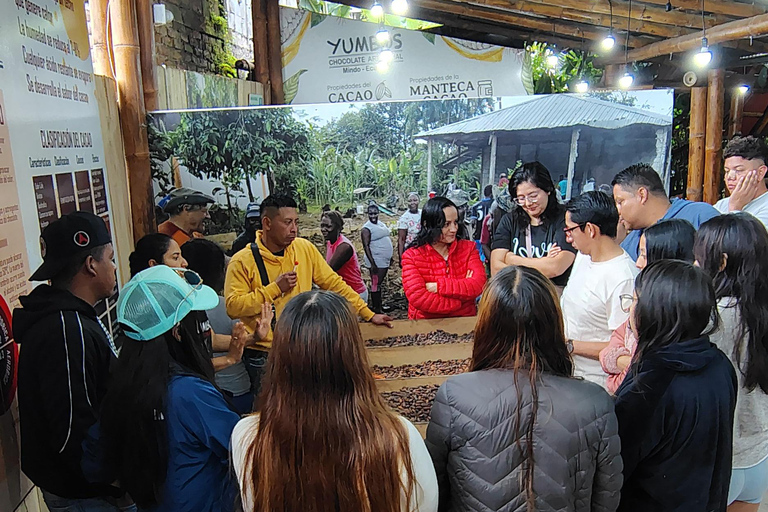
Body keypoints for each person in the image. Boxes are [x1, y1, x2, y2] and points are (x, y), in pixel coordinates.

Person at [426, 265, 622, 511]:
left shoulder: (454, 395)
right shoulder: (595, 402)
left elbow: (434, 491)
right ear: (553, 322)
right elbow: (606, 499)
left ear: (486, 323)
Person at [230, 290, 438, 512]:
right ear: (353, 354)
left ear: (279, 358)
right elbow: (425, 504)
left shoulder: (247, 436)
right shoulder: (400, 436)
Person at [84, 266, 241, 512]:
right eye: (198, 320)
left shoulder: (123, 385)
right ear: (177, 331)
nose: (204, 329)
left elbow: (94, 461)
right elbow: (243, 450)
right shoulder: (189, 393)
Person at [13, 212, 129, 511]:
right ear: (91, 265)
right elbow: (73, 430)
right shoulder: (66, 329)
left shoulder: (73, 319)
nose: (114, 267)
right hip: (86, 495)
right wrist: (115, 480)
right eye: (110, 258)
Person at [225, 194, 392, 398]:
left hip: (302, 347)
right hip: (264, 353)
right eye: (287, 222)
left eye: (296, 222)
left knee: (306, 403)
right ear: (267, 223)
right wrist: (275, 289)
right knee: (269, 405)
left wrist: (368, 313)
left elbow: (334, 283)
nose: (294, 229)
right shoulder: (242, 261)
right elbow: (233, 306)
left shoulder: (304, 249)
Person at [615, 260, 736, 512]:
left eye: (634, 301)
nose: (629, 310)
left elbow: (617, 465)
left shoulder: (652, 382)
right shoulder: (719, 363)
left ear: (656, 311)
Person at [695, 213, 768, 511]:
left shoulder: (712, 319)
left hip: (718, 462)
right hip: (758, 455)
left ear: (721, 262)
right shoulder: (761, 310)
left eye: (700, 257)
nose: (696, 264)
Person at [129, 233, 261, 379]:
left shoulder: (185, 299)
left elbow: (209, 338)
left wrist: (253, 338)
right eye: (175, 257)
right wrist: (229, 359)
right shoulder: (154, 315)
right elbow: (181, 368)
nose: (184, 263)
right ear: (154, 265)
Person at [599, 219, 696, 394]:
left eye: (644, 254)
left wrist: (626, 368)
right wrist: (628, 363)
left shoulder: (677, 316)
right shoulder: (643, 299)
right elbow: (606, 354)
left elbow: (634, 379)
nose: (638, 263)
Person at [561, 191, 638, 387]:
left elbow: (624, 345)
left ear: (590, 229)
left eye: (570, 230)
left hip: (597, 382)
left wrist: (569, 345)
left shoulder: (623, 277)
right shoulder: (583, 256)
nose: (568, 238)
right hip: (569, 373)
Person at [183, 239, 266, 415]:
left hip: (206, 389)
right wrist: (233, 356)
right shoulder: (225, 306)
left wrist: (253, 338)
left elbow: (211, 340)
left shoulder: (187, 306)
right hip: (234, 389)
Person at [490, 162, 577, 289]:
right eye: (521, 198)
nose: (528, 203)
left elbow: (555, 267)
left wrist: (512, 259)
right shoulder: (509, 221)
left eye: (533, 196)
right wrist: (543, 262)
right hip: (517, 297)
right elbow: (496, 269)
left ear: (548, 189)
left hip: (551, 297)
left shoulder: (565, 219)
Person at [401, 197, 487, 320]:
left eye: (455, 222)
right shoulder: (412, 256)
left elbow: (478, 285)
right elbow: (418, 297)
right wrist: (459, 302)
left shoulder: (468, 249)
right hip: (425, 325)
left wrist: (438, 287)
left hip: (463, 323)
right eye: (446, 224)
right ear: (428, 225)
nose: (454, 229)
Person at [612, 163, 719, 261]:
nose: (618, 211)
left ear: (642, 195)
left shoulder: (700, 216)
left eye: (620, 202)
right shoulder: (629, 244)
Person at [715, 136, 768, 227]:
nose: (730, 177)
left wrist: (735, 208)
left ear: (760, 173)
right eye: (727, 171)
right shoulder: (721, 205)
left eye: (739, 170)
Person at [320, 210, 368, 303]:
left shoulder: (344, 247)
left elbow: (328, 271)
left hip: (355, 294)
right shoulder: (330, 242)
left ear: (338, 228)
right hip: (343, 293)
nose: (323, 229)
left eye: (328, 226)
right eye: (322, 226)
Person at [361, 203, 394, 314]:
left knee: (379, 283)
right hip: (376, 260)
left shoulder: (380, 224)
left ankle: (379, 305)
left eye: (375, 213)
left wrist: (389, 256)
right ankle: (376, 307)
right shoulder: (366, 228)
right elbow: (366, 246)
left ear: (378, 213)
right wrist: (372, 263)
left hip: (383, 259)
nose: (373, 216)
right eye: (370, 214)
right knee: (376, 283)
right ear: (367, 214)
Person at [397, 192, 422, 266]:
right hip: (410, 250)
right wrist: (401, 258)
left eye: (415, 200)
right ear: (406, 203)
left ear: (419, 201)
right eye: (410, 201)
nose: (412, 203)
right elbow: (401, 239)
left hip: (423, 250)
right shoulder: (404, 218)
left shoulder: (423, 213)